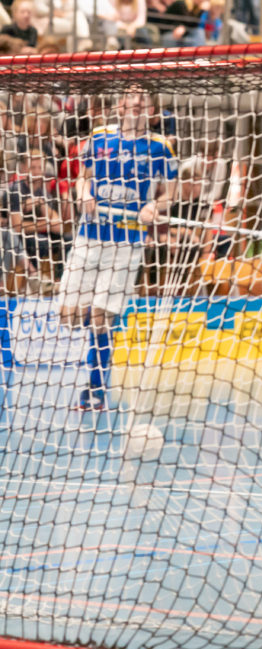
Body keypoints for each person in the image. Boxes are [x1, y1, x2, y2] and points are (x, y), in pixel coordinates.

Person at [57, 90, 175, 410]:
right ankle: (111, 321)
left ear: (151, 110)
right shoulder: (98, 138)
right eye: (130, 97)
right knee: (68, 316)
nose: (136, 103)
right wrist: (83, 195)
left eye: (143, 100)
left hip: (127, 239)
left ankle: (95, 388)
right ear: (118, 105)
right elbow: (83, 178)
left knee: (100, 317)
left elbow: (169, 195)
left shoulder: (161, 147)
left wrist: (154, 205)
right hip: (90, 233)